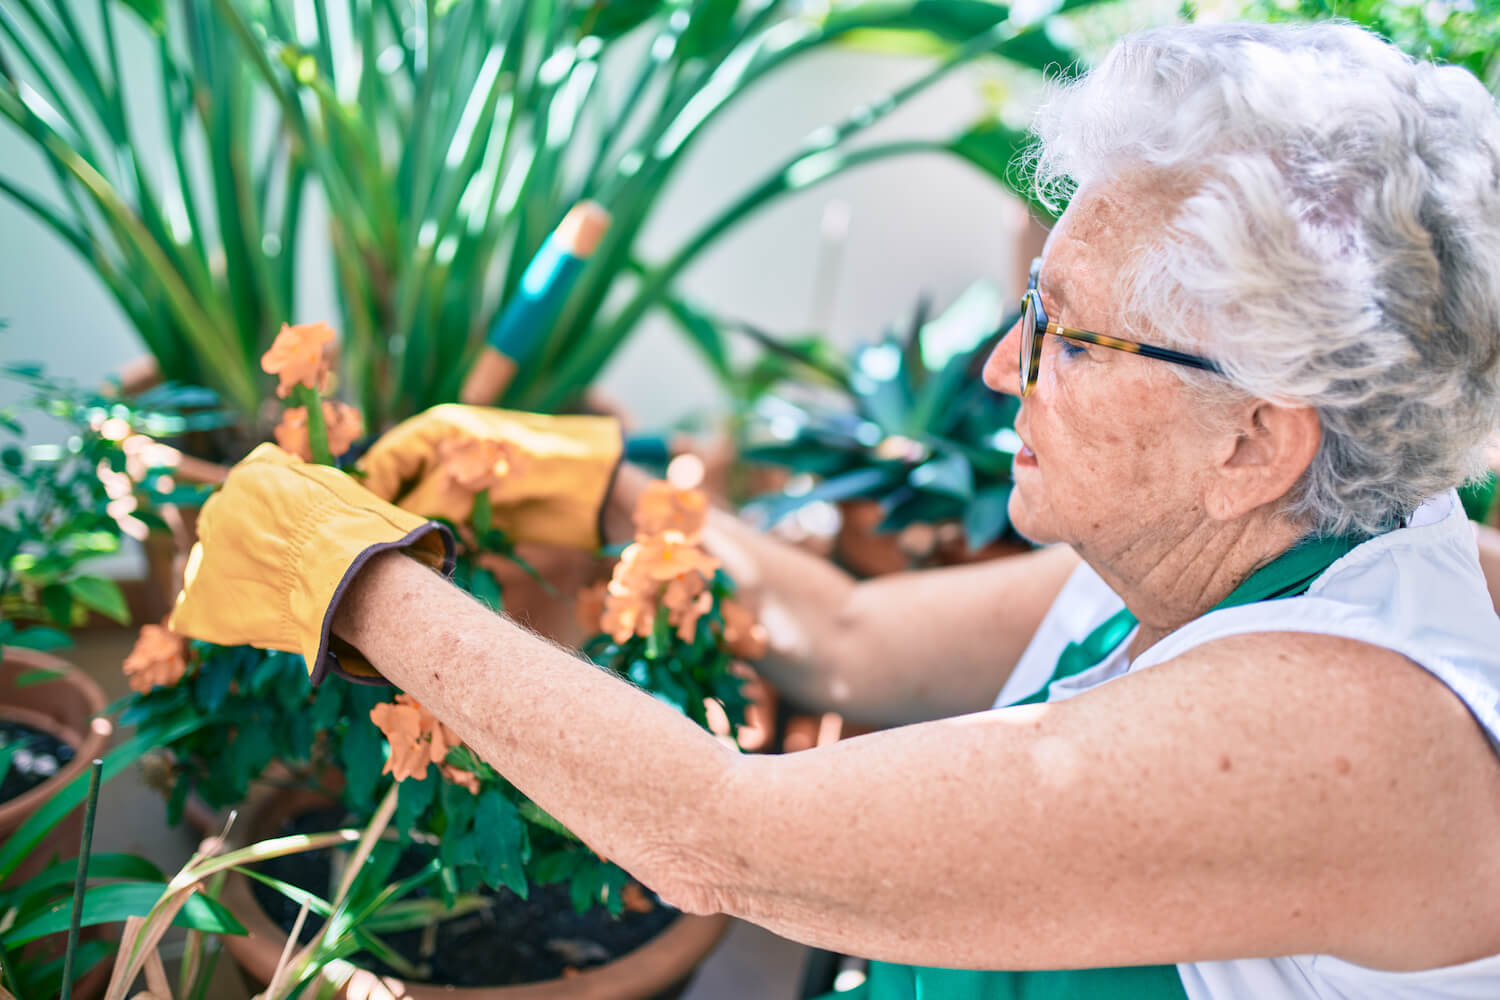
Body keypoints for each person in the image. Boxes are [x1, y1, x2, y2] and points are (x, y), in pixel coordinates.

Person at [169, 21, 1500, 1000]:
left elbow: (719, 837)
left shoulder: (1354, 733)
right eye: (1028, 310)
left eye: (1072, 341)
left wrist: (360, 582)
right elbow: (852, 639)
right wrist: (594, 480)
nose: (999, 369)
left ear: (1259, 437)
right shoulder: (1225, 541)